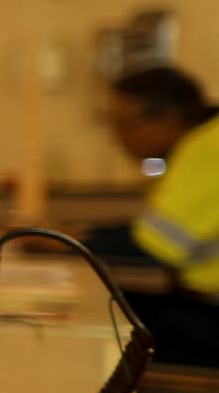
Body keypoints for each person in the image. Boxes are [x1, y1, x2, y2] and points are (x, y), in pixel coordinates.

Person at [90, 65, 219, 365]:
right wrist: (79, 235)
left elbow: (153, 246)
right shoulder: (202, 141)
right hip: (200, 304)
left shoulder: (206, 150)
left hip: (211, 319)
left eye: (124, 124)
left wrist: (73, 243)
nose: (117, 138)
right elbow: (151, 229)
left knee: (107, 324)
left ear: (168, 118)